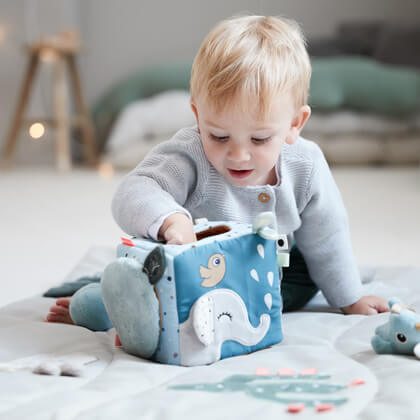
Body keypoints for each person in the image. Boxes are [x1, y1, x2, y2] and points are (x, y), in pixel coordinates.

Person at [46, 15, 388, 328]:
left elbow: (327, 237)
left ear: (295, 124)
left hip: (276, 269)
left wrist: (350, 298)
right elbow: (133, 191)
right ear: (198, 116)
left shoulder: (306, 163)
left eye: (259, 138)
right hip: (191, 267)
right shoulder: (189, 153)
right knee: (155, 283)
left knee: (304, 276)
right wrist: (171, 220)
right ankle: (114, 299)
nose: (238, 155)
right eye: (219, 135)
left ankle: (166, 303)